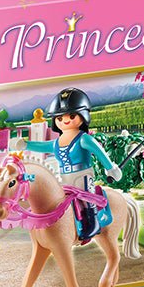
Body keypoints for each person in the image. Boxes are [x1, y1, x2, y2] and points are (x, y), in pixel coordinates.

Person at [16, 88, 122, 241]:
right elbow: (43, 146)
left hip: (82, 175)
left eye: (72, 116)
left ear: (83, 116)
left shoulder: (84, 139)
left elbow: (100, 152)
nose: (65, 120)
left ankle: (92, 221)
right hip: (64, 177)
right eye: (60, 118)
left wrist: (111, 168)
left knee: (86, 197)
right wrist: (26, 144)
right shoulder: (57, 143)